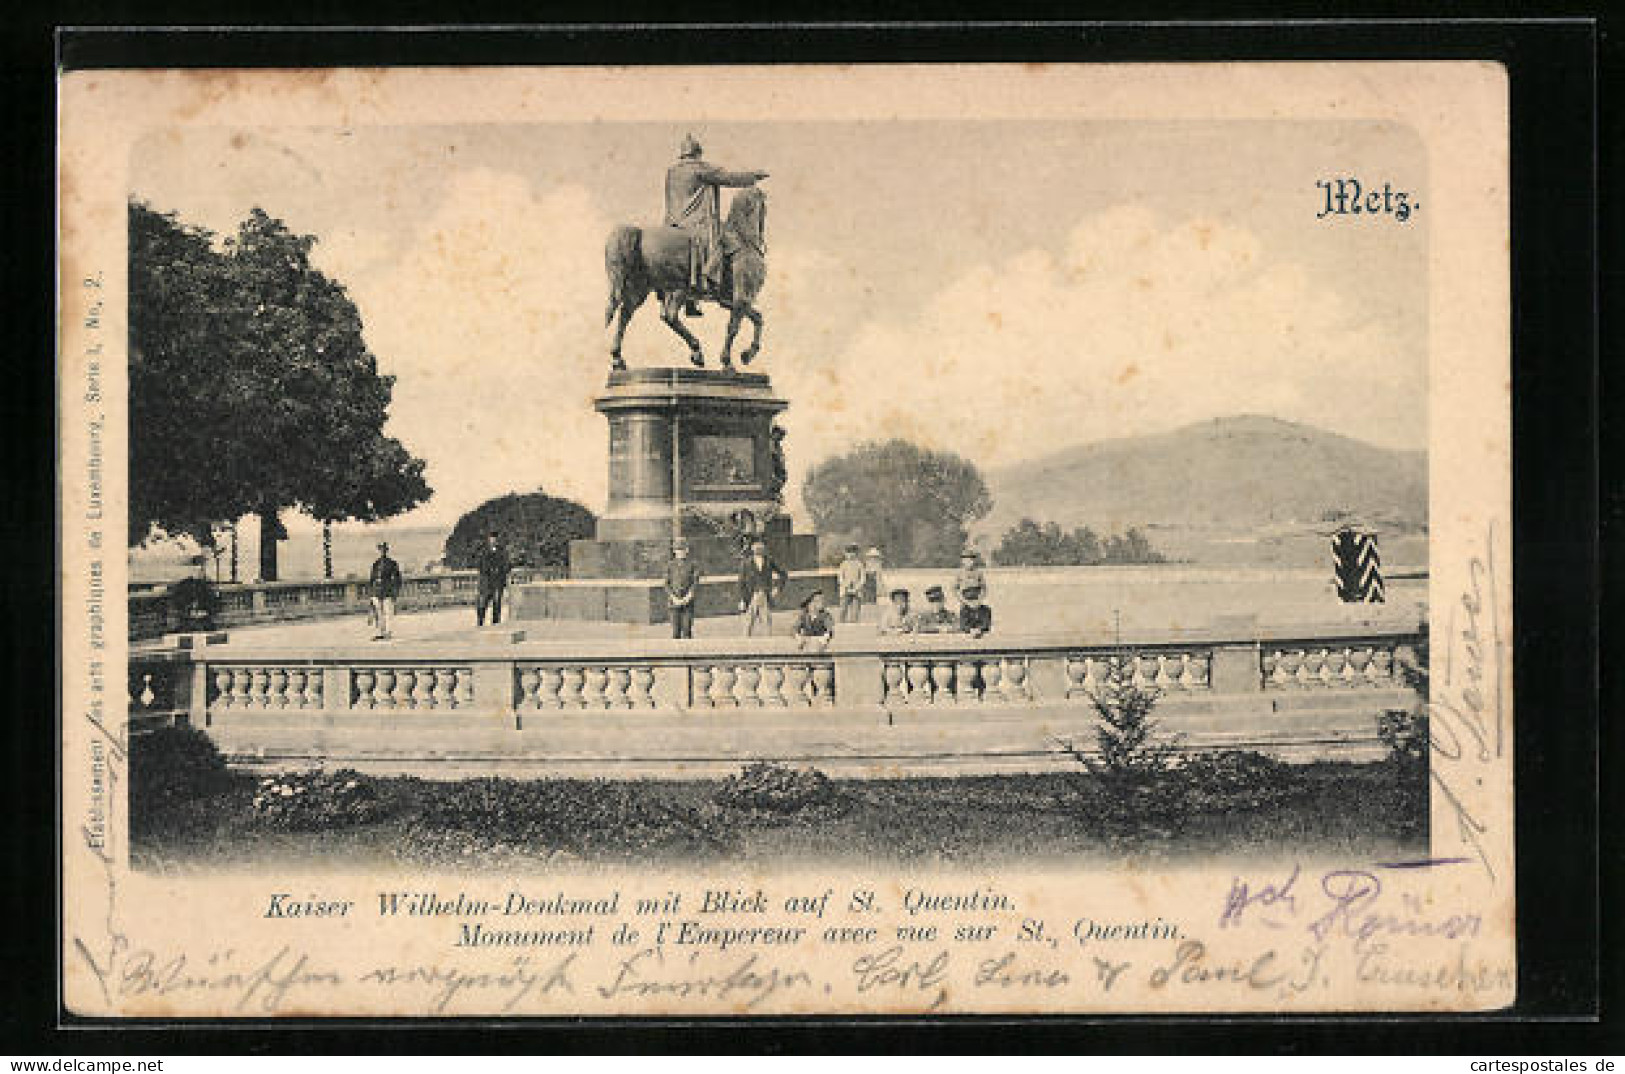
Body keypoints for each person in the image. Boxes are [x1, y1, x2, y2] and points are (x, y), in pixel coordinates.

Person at [665, 134, 769, 316]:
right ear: (697, 153)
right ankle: (712, 280)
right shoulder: (699, 169)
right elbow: (728, 177)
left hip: (673, 224)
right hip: (696, 221)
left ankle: (690, 300)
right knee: (723, 241)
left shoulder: (672, 171)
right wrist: (753, 177)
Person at [737, 537, 788, 636]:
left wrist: (777, 588)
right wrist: (742, 599)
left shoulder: (769, 561)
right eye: (756, 545)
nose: (758, 547)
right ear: (751, 547)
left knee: (767, 623)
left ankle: (768, 646)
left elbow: (783, 574)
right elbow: (741, 583)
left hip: (765, 596)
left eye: (760, 544)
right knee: (747, 625)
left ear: (764, 546)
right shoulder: (746, 563)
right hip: (751, 597)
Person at [474, 530, 511, 627]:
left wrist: (500, 570)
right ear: (488, 539)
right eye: (491, 538)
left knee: (497, 603)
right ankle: (480, 622)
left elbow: (507, 565)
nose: (493, 540)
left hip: (497, 582)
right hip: (486, 582)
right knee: (482, 604)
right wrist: (489, 569)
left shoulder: (502, 551)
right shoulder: (483, 551)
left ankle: (495, 623)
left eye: (495, 538)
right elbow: (479, 565)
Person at [368, 541, 402, 641]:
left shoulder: (392, 563)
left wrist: (395, 591)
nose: (382, 552)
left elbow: (397, 579)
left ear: (387, 551)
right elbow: (372, 579)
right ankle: (381, 632)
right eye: (380, 550)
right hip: (376, 591)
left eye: (384, 550)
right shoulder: (376, 564)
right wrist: (371, 593)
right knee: (378, 613)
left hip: (387, 591)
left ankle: (388, 632)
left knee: (388, 612)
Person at [665, 538, 699, 639]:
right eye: (678, 550)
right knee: (676, 631)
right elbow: (666, 584)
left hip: (687, 602)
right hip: (674, 602)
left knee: (687, 629)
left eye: (683, 549)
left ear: (687, 550)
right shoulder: (670, 565)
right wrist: (673, 597)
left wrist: (689, 596)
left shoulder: (692, 565)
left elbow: (695, 582)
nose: (680, 552)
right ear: (674, 551)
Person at [837, 543, 865, 624]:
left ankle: (854, 625)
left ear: (856, 554)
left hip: (856, 591)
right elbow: (840, 578)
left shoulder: (859, 564)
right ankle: (841, 625)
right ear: (845, 554)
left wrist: (857, 587)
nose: (851, 555)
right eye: (848, 552)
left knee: (855, 611)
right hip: (845, 590)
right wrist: (846, 586)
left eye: (853, 552)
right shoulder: (843, 564)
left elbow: (863, 578)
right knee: (843, 609)